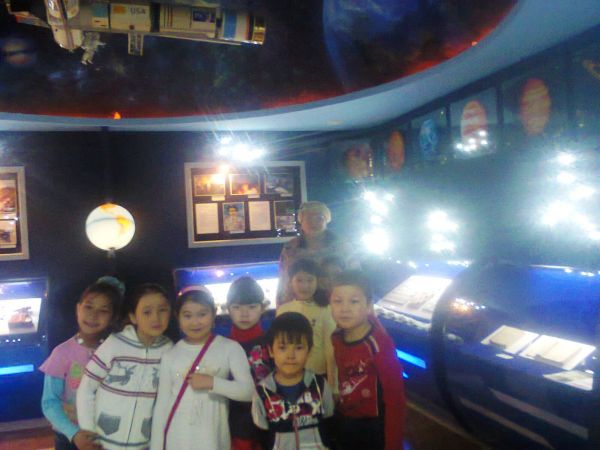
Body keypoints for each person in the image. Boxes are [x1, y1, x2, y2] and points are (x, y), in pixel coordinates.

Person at [151, 287, 255, 450]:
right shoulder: (170, 354)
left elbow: (249, 392)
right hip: (176, 440)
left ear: (214, 315)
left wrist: (213, 383)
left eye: (202, 314)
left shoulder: (230, 348)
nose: (195, 322)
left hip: (212, 440)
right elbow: (162, 406)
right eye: (187, 316)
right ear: (177, 317)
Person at [76, 283, 173, 450]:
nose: (156, 318)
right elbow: (86, 388)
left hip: (142, 443)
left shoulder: (169, 350)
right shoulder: (115, 344)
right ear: (133, 317)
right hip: (103, 442)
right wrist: (88, 431)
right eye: (147, 312)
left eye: (162, 310)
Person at [40, 277, 124, 450]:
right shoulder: (62, 353)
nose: (93, 315)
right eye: (88, 307)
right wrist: (74, 433)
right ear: (78, 308)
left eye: (103, 310)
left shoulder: (115, 352)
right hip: (70, 437)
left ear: (113, 317)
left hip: (106, 436)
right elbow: (50, 402)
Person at [329, 270, 405, 450]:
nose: (344, 308)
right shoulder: (337, 337)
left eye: (354, 301)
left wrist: (393, 444)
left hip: (374, 427)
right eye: (338, 301)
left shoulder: (378, 344)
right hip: (347, 419)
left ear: (369, 306)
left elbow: (395, 398)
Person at [252, 312, 334, 450]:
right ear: (271, 351)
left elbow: (329, 422)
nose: (291, 355)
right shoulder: (262, 392)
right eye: (282, 348)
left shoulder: (319, 385)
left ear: (309, 351)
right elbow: (262, 433)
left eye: (299, 348)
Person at [277, 201, 356, 305]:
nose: (313, 223)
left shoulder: (342, 246)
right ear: (301, 222)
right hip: (300, 306)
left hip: (337, 306)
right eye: (309, 218)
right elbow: (283, 282)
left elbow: (356, 278)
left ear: (326, 221)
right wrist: (282, 307)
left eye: (319, 218)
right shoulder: (290, 248)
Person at [226, 277, 272, 450]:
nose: (244, 314)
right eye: (237, 307)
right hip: (236, 420)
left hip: (270, 415)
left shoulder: (272, 343)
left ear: (263, 307)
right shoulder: (222, 346)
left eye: (252, 307)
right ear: (227, 309)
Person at [276, 259, 337, 389]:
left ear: (317, 282)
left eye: (310, 280)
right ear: (290, 282)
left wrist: (333, 386)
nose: (305, 286)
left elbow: (330, 349)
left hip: (318, 376)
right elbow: (279, 346)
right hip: (290, 376)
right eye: (299, 280)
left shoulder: (326, 309)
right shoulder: (282, 310)